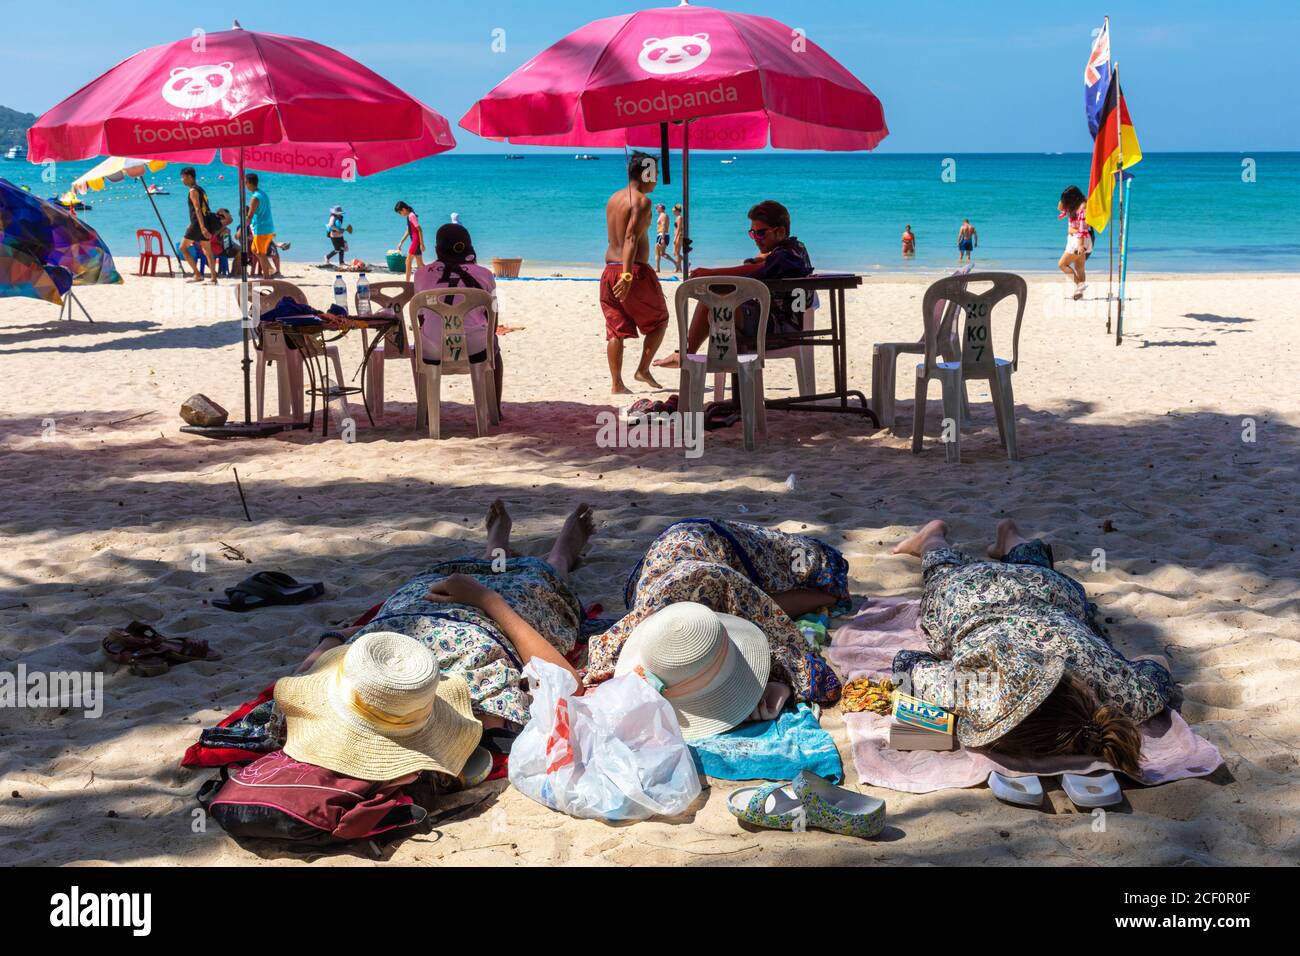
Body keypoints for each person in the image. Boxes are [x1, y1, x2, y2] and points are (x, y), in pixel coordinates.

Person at [889, 518, 1177, 772]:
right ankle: (936, 537)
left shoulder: (1126, 698)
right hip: (971, 599)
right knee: (943, 572)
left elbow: (1156, 662)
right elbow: (907, 665)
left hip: (1045, 590)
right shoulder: (974, 689)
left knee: (1027, 570)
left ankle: (1002, 536)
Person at [295, 501, 594, 730]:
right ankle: (560, 555)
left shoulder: (356, 680)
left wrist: (340, 636)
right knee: (541, 581)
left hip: (416, 603)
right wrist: (486, 599)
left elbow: (301, 681)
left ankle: (495, 550)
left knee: (472, 573)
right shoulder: (472, 691)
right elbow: (568, 684)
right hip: (498, 611)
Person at [587, 518, 847, 718]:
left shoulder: (731, 596)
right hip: (672, 559)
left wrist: (780, 683)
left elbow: (781, 635)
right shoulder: (651, 626)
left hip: (726, 544)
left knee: (819, 565)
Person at [654, 200, 813, 369]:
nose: (756, 239)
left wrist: (710, 273)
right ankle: (686, 353)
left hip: (780, 330)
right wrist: (757, 259)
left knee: (715, 303)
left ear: (780, 232)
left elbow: (755, 273)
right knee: (716, 302)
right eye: (752, 234)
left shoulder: (783, 257)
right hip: (784, 326)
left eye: (760, 234)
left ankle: (685, 354)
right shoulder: (794, 248)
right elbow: (763, 264)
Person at [413, 222, 504, 412]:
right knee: (494, 346)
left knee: (417, 347)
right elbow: (493, 318)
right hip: (476, 349)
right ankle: (495, 408)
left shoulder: (421, 275)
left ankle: (428, 409)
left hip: (433, 351)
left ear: (438, 249)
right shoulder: (486, 275)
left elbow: (420, 319)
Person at [601, 151, 669, 394]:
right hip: (634, 271)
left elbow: (615, 237)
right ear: (646, 173)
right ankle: (642, 369)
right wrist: (628, 275)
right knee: (660, 321)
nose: (657, 179)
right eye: (656, 174)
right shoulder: (641, 201)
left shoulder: (613, 199)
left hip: (608, 270)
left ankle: (617, 384)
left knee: (615, 329)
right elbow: (630, 237)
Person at [179, 167, 221, 285]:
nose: (182, 180)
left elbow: (197, 209)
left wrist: (201, 227)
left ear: (190, 177)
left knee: (183, 248)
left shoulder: (192, 191)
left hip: (199, 224)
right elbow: (204, 209)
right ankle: (213, 278)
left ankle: (197, 274)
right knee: (207, 251)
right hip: (204, 222)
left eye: (183, 177)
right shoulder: (201, 189)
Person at [1057, 185, 1093, 300]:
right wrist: (1063, 198)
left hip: (1078, 240)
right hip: (1080, 239)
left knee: (1062, 264)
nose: (1064, 202)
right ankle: (1079, 293)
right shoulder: (1073, 206)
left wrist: (1080, 245)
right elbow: (1060, 208)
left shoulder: (1082, 207)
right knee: (1079, 268)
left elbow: (1082, 228)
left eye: (1066, 199)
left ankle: (1080, 285)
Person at [244, 172, 277, 278]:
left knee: (261, 253)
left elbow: (250, 215)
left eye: (245, 182)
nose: (245, 184)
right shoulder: (263, 194)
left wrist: (244, 226)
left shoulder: (255, 198)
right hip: (268, 227)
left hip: (261, 229)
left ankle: (267, 276)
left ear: (249, 183)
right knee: (254, 250)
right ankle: (270, 268)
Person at [394, 201, 424, 281]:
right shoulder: (409, 216)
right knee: (420, 264)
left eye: (400, 212)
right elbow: (408, 231)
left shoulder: (411, 215)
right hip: (415, 241)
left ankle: (406, 283)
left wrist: (422, 244)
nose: (400, 214)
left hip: (416, 241)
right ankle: (432, 276)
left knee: (407, 262)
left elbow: (420, 230)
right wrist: (401, 242)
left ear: (403, 209)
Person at [654, 202, 678, 273]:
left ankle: (658, 268)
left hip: (662, 235)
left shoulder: (663, 215)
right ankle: (676, 264)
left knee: (658, 252)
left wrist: (663, 238)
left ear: (660, 208)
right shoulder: (662, 215)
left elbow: (664, 226)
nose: (656, 209)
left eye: (657, 207)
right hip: (661, 235)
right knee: (662, 253)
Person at [672, 203, 685, 274]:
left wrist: (675, 238)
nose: (673, 212)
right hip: (677, 236)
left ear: (677, 210)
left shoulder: (679, 218)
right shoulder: (677, 217)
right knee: (676, 253)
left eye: (674, 211)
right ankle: (679, 267)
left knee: (677, 252)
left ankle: (679, 268)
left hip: (679, 236)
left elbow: (679, 229)